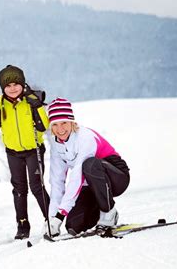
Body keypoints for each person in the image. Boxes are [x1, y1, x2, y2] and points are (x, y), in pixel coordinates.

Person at [44, 97, 130, 237]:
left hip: (116, 177)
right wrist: (53, 218)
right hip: (90, 184)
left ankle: (109, 213)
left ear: (72, 121)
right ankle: (97, 213)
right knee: (73, 226)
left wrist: (61, 214)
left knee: (89, 164)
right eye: (55, 124)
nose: (60, 129)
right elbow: (57, 182)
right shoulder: (56, 144)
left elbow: (77, 175)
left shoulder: (85, 137)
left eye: (64, 123)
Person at [0, 65, 50, 239]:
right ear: (2, 88)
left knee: (37, 186)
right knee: (19, 189)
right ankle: (22, 224)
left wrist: (36, 105)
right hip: (13, 152)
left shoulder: (31, 100)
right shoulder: (0, 104)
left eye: (16, 84)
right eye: (8, 85)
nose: (12, 88)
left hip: (34, 149)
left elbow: (44, 125)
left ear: (22, 84)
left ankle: (51, 219)